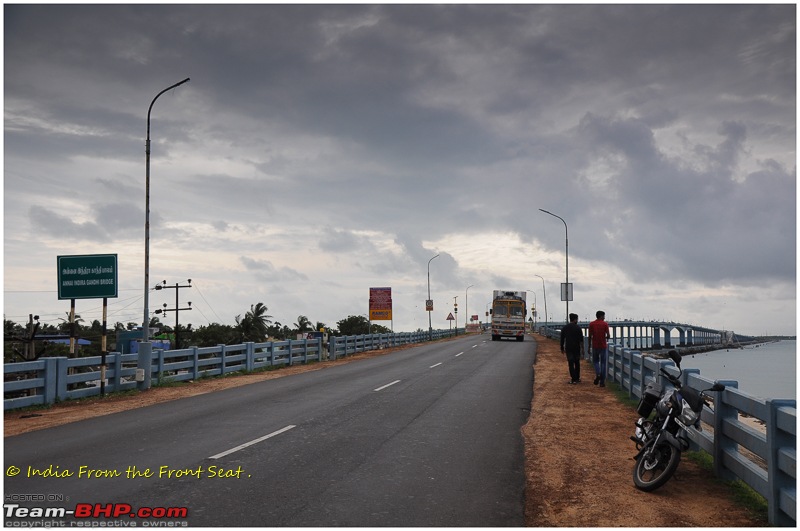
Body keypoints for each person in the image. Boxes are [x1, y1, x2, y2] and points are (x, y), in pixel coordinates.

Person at [588, 310, 611, 387]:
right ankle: (602, 382)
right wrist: (606, 338)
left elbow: (590, 336)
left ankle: (598, 374)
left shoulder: (592, 324)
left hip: (595, 346)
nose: (604, 318)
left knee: (596, 362)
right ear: (601, 316)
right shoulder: (605, 324)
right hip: (603, 346)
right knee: (603, 363)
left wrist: (589, 346)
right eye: (604, 316)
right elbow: (608, 335)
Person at [560, 313, 583, 384]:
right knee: (577, 362)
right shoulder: (578, 328)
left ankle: (573, 379)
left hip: (568, 348)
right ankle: (577, 378)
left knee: (570, 363)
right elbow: (581, 340)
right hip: (576, 348)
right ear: (575, 319)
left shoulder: (565, 328)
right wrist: (583, 349)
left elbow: (562, 339)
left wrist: (562, 348)